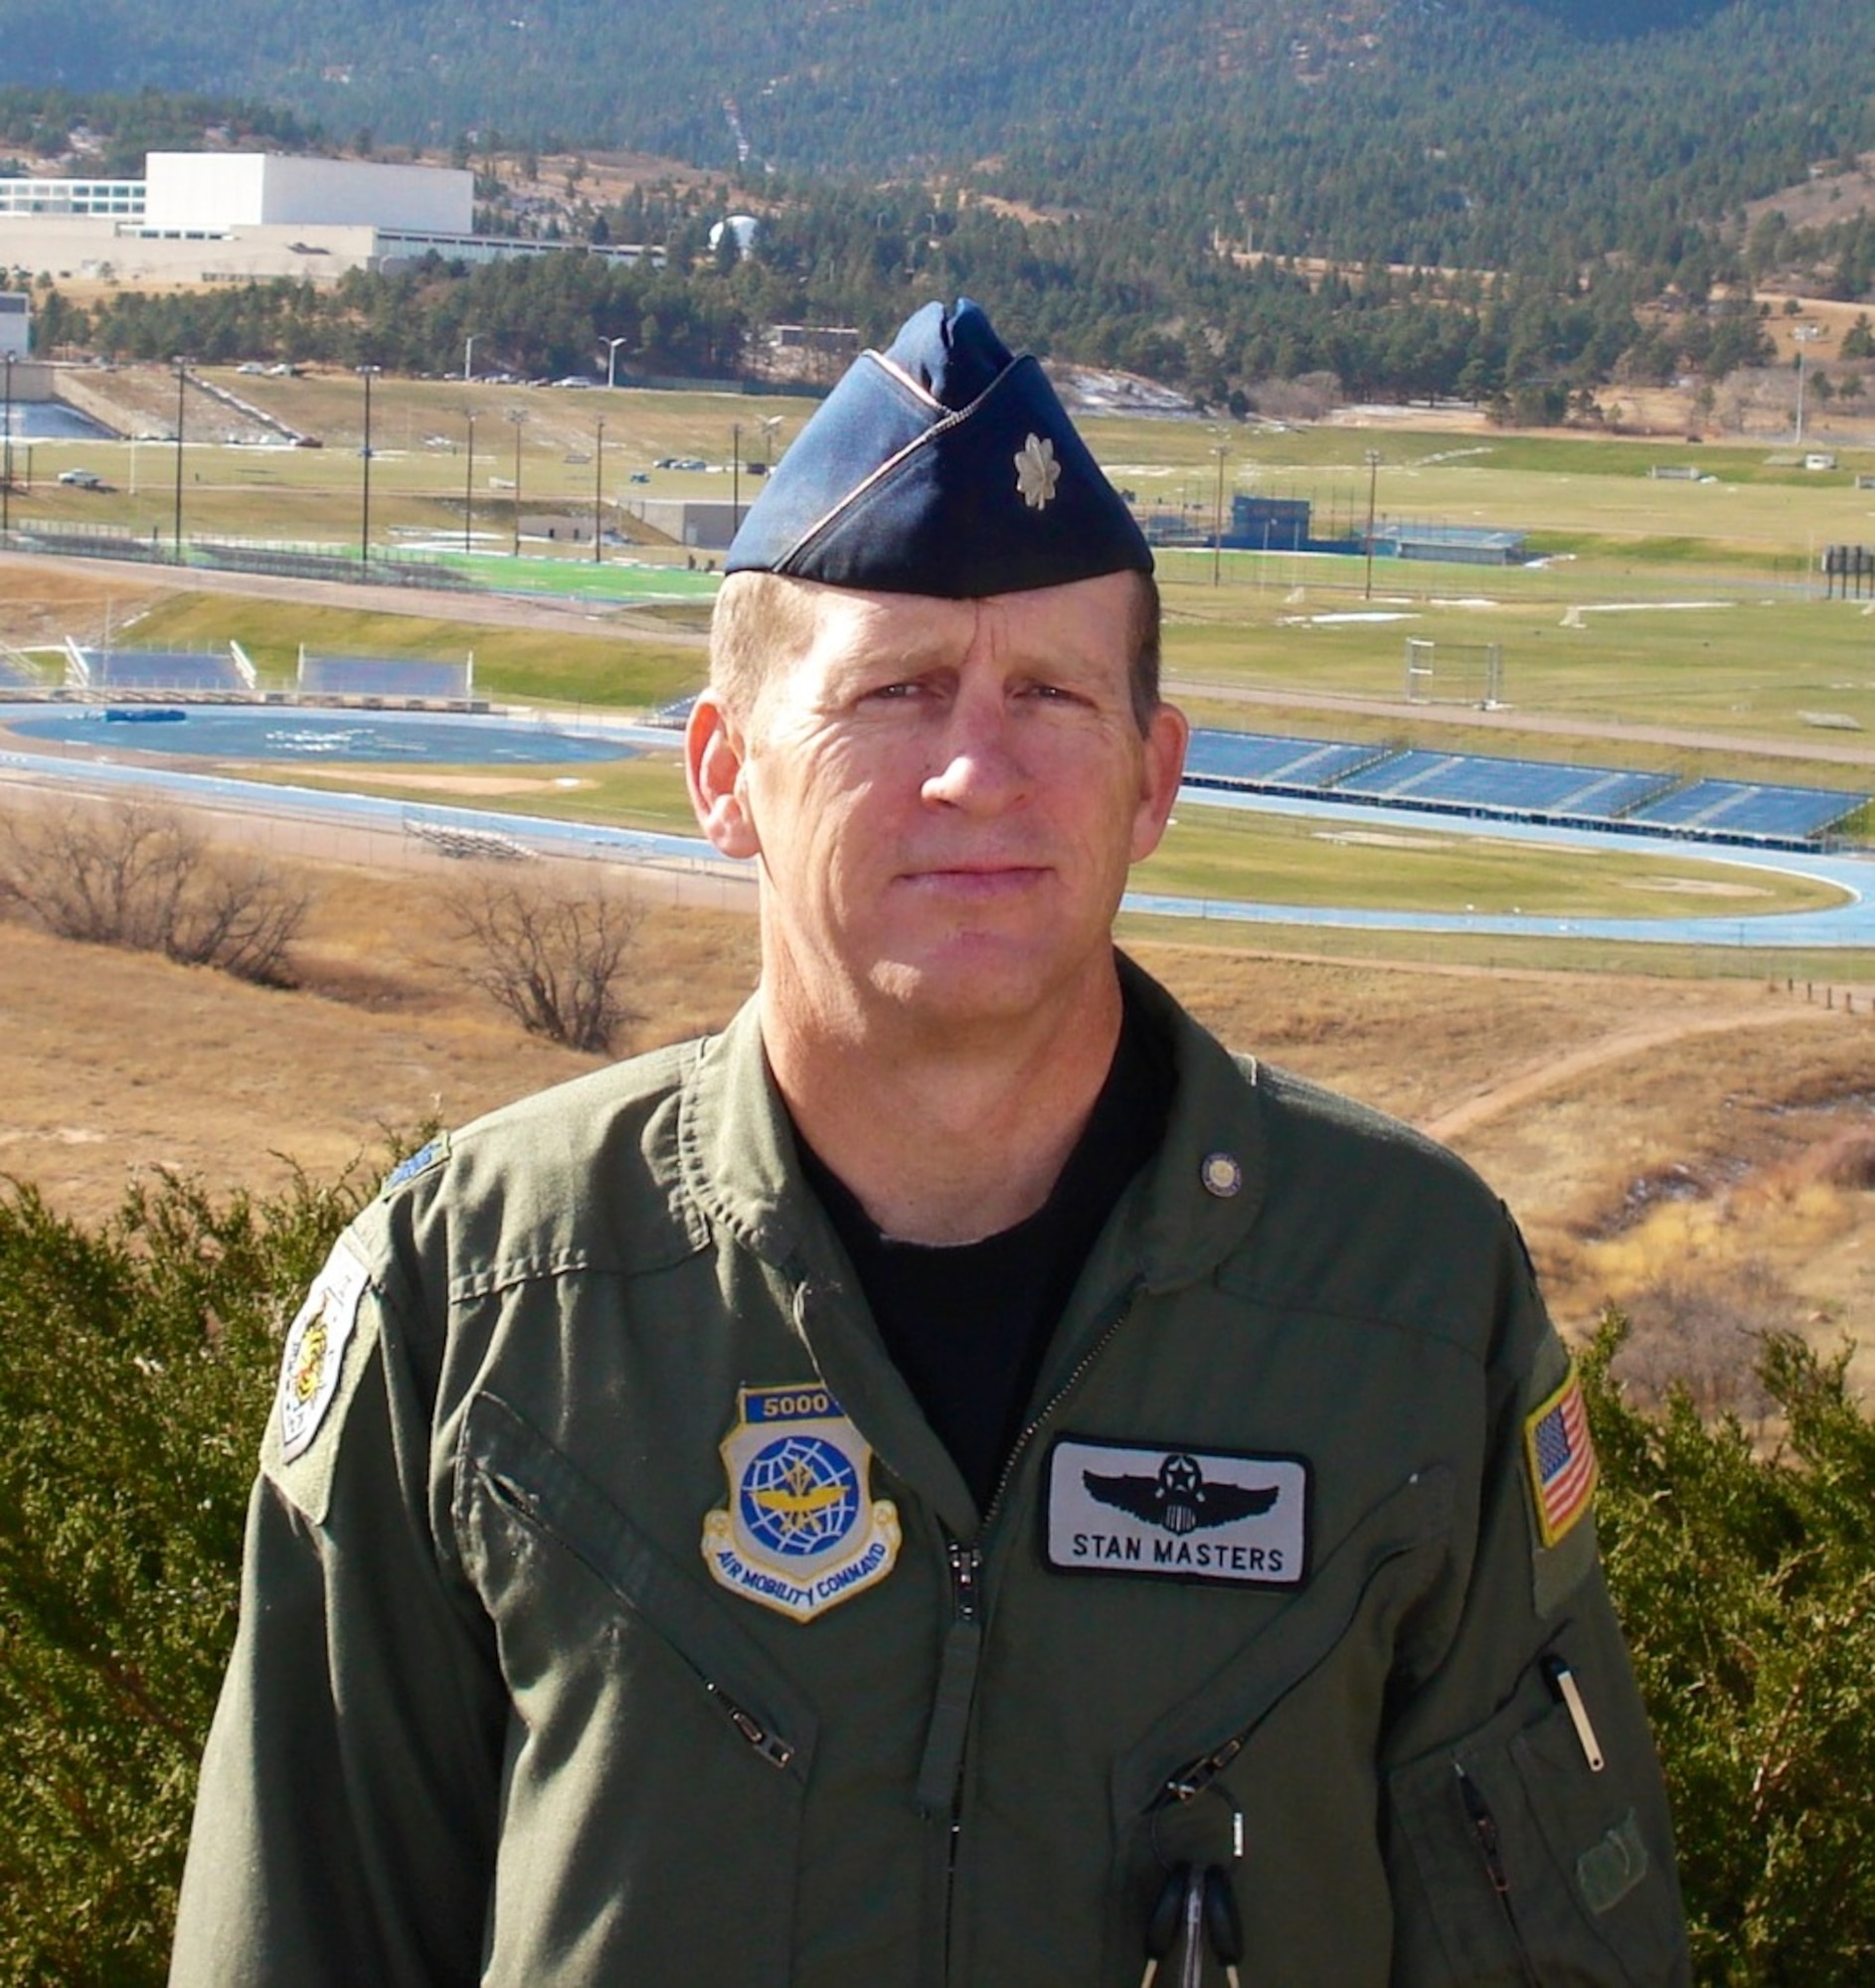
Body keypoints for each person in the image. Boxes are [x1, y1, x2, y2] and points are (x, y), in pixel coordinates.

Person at [171, 299, 1688, 1986]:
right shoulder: (480, 1301)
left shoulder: (1400, 1298)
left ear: (1152, 774)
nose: (979, 768)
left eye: (1050, 693)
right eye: (894, 693)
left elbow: (1554, 1946)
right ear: (723, 769)